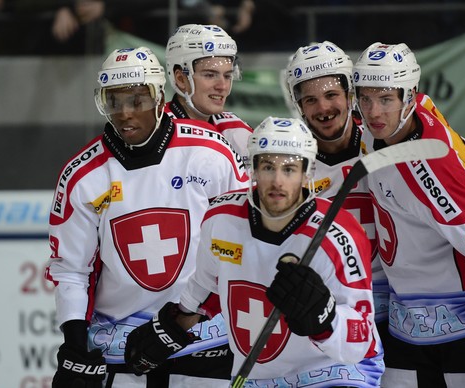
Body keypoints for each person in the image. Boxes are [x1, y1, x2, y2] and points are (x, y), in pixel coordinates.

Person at [282, 40, 465, 338]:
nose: (324, 108)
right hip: (343, 316)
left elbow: (450, 168)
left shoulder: (385, 135)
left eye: (332, 95)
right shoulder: (290, 167)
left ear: (349, 94)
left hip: (399, 318)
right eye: (310, 100)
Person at [124, 116, 385, 387]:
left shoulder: (339, 234)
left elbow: (362, 340)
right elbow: (205, 285)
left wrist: (325, 320)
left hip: (335, 370)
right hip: (257, 377)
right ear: (253, 170)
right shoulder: (220, 219)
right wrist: (172, 327)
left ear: (307, 173)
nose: (277, 181)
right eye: (268, 167)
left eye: (289, 169)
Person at [45, 46, 249, 387]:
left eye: (136, 101)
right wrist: (75, 343)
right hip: (123, 348)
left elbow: (239, 246)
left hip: (208, 338)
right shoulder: (82, 175)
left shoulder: (213, 154)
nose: (125, 113)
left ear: (158, 98)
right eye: (114, 102)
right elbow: (71, 270)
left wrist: (185, 319)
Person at [353, 42, 465, 388]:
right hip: (413, 327)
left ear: (408, 97)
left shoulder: (427, 171)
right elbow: (458, 158)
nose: (373, 111)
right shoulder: (420, 112)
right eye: (365, 98)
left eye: (386, 99)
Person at [163, 23, 253, 159]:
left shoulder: (238, 130)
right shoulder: (155, 130)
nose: (222, 86)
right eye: (210, 75)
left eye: (227, 76)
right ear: (181, 79)